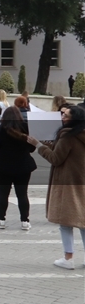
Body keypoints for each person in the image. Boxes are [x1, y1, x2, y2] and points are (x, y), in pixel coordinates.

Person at [29, 106, 85, 269]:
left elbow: (56, 159)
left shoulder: (67, 135)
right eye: (62, 114)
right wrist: (52, 145)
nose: (62, 117)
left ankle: (68, 258)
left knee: (65, 221)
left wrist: (38, 145)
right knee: (83, 221)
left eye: (66, 115)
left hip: (67, 182)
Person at [0, 108, 36, 230]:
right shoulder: (26, 128)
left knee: (3, 193)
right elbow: (32, 148)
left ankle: (1, 220)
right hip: (23, 165)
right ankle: (25, 221)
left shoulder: (2, 129)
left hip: (4, 165)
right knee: (22, 194)